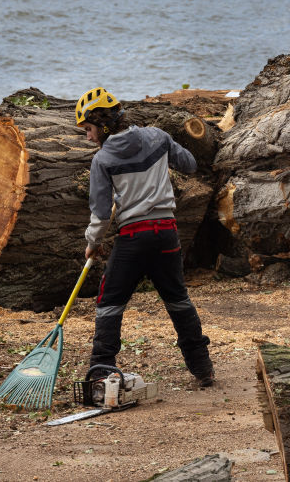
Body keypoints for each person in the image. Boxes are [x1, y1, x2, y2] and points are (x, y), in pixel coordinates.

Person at [75, 86, 214, 388]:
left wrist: (92, 244)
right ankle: (202, 367)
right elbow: (189, 164)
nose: (87, 136)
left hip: (133, 239)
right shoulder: (158, 137)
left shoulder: (102, 160)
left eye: (88, 129)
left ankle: (100, 372)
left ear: (103, 124)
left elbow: (100, 214)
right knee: (177, 299)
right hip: (166, 234)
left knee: (109, 302)